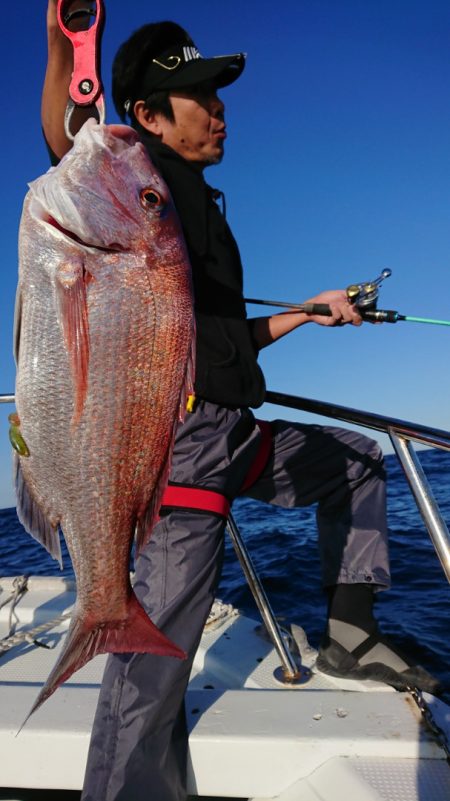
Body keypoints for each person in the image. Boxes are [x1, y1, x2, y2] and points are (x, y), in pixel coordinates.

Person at [42, 4, 441, 800]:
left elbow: (222, 339)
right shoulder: (138, 181)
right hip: (177, 448)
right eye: (200, 95)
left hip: (236, 431)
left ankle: (350, 636)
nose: (221, 108)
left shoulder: (200, 203)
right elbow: (70, 138)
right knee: (150, 666)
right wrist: (65, 42)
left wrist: (308, 310)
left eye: (220, 94)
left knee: (356, 462)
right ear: (148, 116)